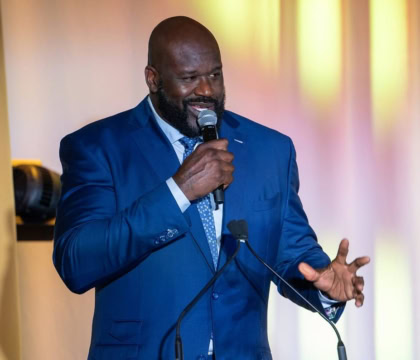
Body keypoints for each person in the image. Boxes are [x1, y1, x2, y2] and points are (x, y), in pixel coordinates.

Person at [53, 16, 369, 360]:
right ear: (153, 79)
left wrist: (324, 285)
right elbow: (76, 262)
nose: (206, 91)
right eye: (189, 78)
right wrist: (178, 191)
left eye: (215, 75)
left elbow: (290, 254)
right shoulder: (98, 147)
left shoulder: (268, 150)